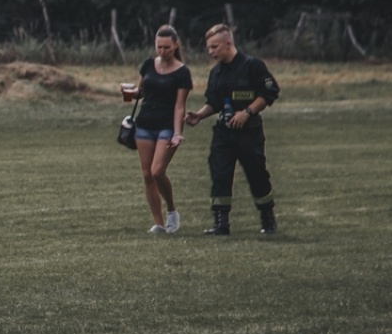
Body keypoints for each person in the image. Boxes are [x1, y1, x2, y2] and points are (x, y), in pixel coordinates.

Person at [183, 23, 281, 235]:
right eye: (209, 48)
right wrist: (199, 115)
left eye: (214, 47)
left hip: (249, 133)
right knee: (220, 175)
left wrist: (247, 112)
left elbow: (270, 92)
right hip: (223, 133)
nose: (210, 52)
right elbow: (215, 103)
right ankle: (221, 223)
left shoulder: (252, 65)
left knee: (257, 175)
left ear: (229, 43)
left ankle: (267, 218)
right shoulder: (216, 72)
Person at [120, 24, 192, 233]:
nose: (162, 51)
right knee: (147, 175)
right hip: (144, 124)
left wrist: (178, 132)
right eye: (159, 47)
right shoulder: (148, 65)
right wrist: (128, 92)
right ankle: (158, 223)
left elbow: (180, 106)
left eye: (167, 47)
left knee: (157, 171)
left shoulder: (182, 73)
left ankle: (171, 211)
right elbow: (141, 91)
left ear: (176, 45)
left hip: (167, 125)